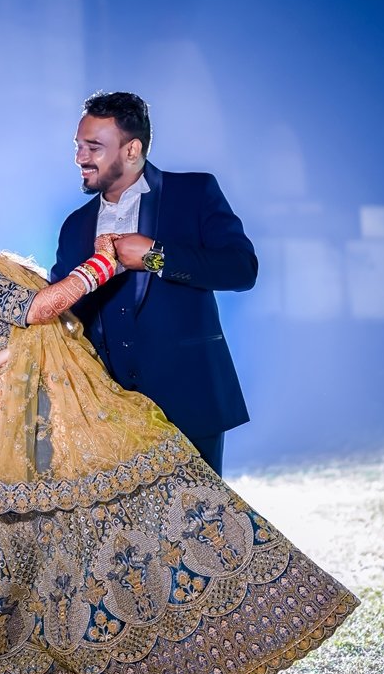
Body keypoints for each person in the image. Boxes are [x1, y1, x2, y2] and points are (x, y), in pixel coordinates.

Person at [0, 170, 358, 674]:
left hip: (67, 413)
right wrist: (107, 263)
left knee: (121, 539)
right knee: (74, 554)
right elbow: (41, 309)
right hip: (49, 427)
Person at [51, 91, 257, 478]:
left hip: (190, 401)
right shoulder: (74, 225)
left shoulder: (194, 193)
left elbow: (241, 270)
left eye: (93, 147)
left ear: (132, 150)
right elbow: (64, 316)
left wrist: (154, 257)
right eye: (78, 145)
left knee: (199, 515)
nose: (80, 157)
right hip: (109, 414)